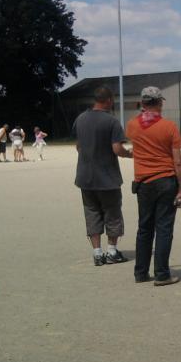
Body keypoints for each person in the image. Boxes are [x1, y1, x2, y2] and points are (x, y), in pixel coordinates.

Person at [126, 86, 181, 286]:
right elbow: (178, 161)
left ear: (142, 103)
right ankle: (162, 273)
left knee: (144, 228)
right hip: (165, 180)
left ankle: (141, 272)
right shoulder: (169, 127)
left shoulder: (132, 126)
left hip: (143, 182)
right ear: (160, 103)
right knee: (163, 228)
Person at [72, 86, 132, 267]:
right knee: (112, 213)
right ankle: (112, 250)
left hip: (85, 176)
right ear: (109, 100)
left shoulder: (80, 119)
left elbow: (78, 146)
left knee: (91, 212)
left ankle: (97, 253)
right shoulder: (111, 121)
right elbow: (117, 149)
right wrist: (128, 154)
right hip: (107, 177)